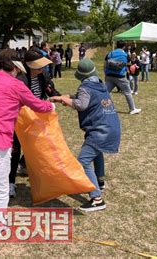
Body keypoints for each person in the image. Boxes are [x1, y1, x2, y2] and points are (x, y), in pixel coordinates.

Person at [0, 49, 55, 230]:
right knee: (1, 187)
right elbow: (38, 105)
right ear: (15, 67)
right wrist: (53, 105)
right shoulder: (16, 85)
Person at [50, 58, 121, 212]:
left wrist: (63, 99)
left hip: (100, 131)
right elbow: (82, 98)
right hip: (111, 127)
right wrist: (64, 97)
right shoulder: (100, 85)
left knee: (83, 161)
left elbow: (82, 104)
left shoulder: (85, 88)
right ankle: (99, 182)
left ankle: (97, 199)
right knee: (97, 152)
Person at [8, 51, 60, 197]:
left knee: (38, 144)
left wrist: (59, 97)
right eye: (38, 67)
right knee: (15, 150)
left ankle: (24, 165)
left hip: (37, 116)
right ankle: (10, 183)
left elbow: (50, 90)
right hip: (20, 118)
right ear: (29, 65)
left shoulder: (44, 76)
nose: (41, 69)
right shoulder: (20, 79)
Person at [104, 41, 141, 114]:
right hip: (120, 77)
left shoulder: (110, 53)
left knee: (105, 93)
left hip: (109, 76)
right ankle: (132, 109)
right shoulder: (125, 54)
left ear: (116, 45)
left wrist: (106, 74)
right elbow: (129, 63)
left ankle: (100, 107)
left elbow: (105, 64)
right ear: (124, 47)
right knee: (127, 92)